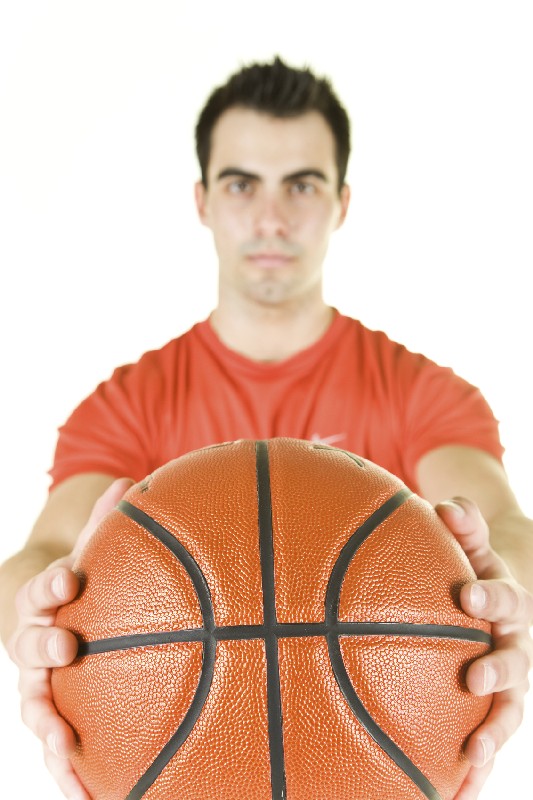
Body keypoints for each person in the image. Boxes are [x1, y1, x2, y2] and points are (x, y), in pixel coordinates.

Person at [0, 56, 532, 800]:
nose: (271, 218)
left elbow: (503, 525)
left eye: (302, 185)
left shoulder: (420, 392)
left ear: (341, 202)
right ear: (202, 201)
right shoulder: (128, 402)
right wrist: (37, 615)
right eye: (241, 184)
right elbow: (46, 553)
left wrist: (504, 597)